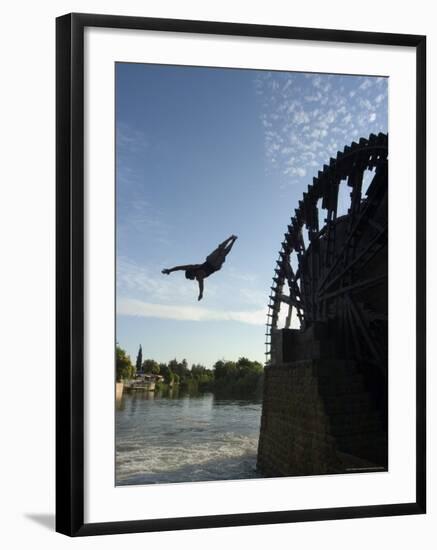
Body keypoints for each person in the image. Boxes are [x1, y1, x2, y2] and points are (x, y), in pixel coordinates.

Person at [162, 235, 238, 301]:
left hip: (214, 265)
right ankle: (232, 239)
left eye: (190, 278)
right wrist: (170, 270)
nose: (191, 280)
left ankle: (232, 239)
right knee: (221, 251)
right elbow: (179, 268)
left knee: (223, 252)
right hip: (211, 262)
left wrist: (201, 293)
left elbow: (201, 285)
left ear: (191, 274)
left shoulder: (198, 275)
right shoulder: (192, 267)